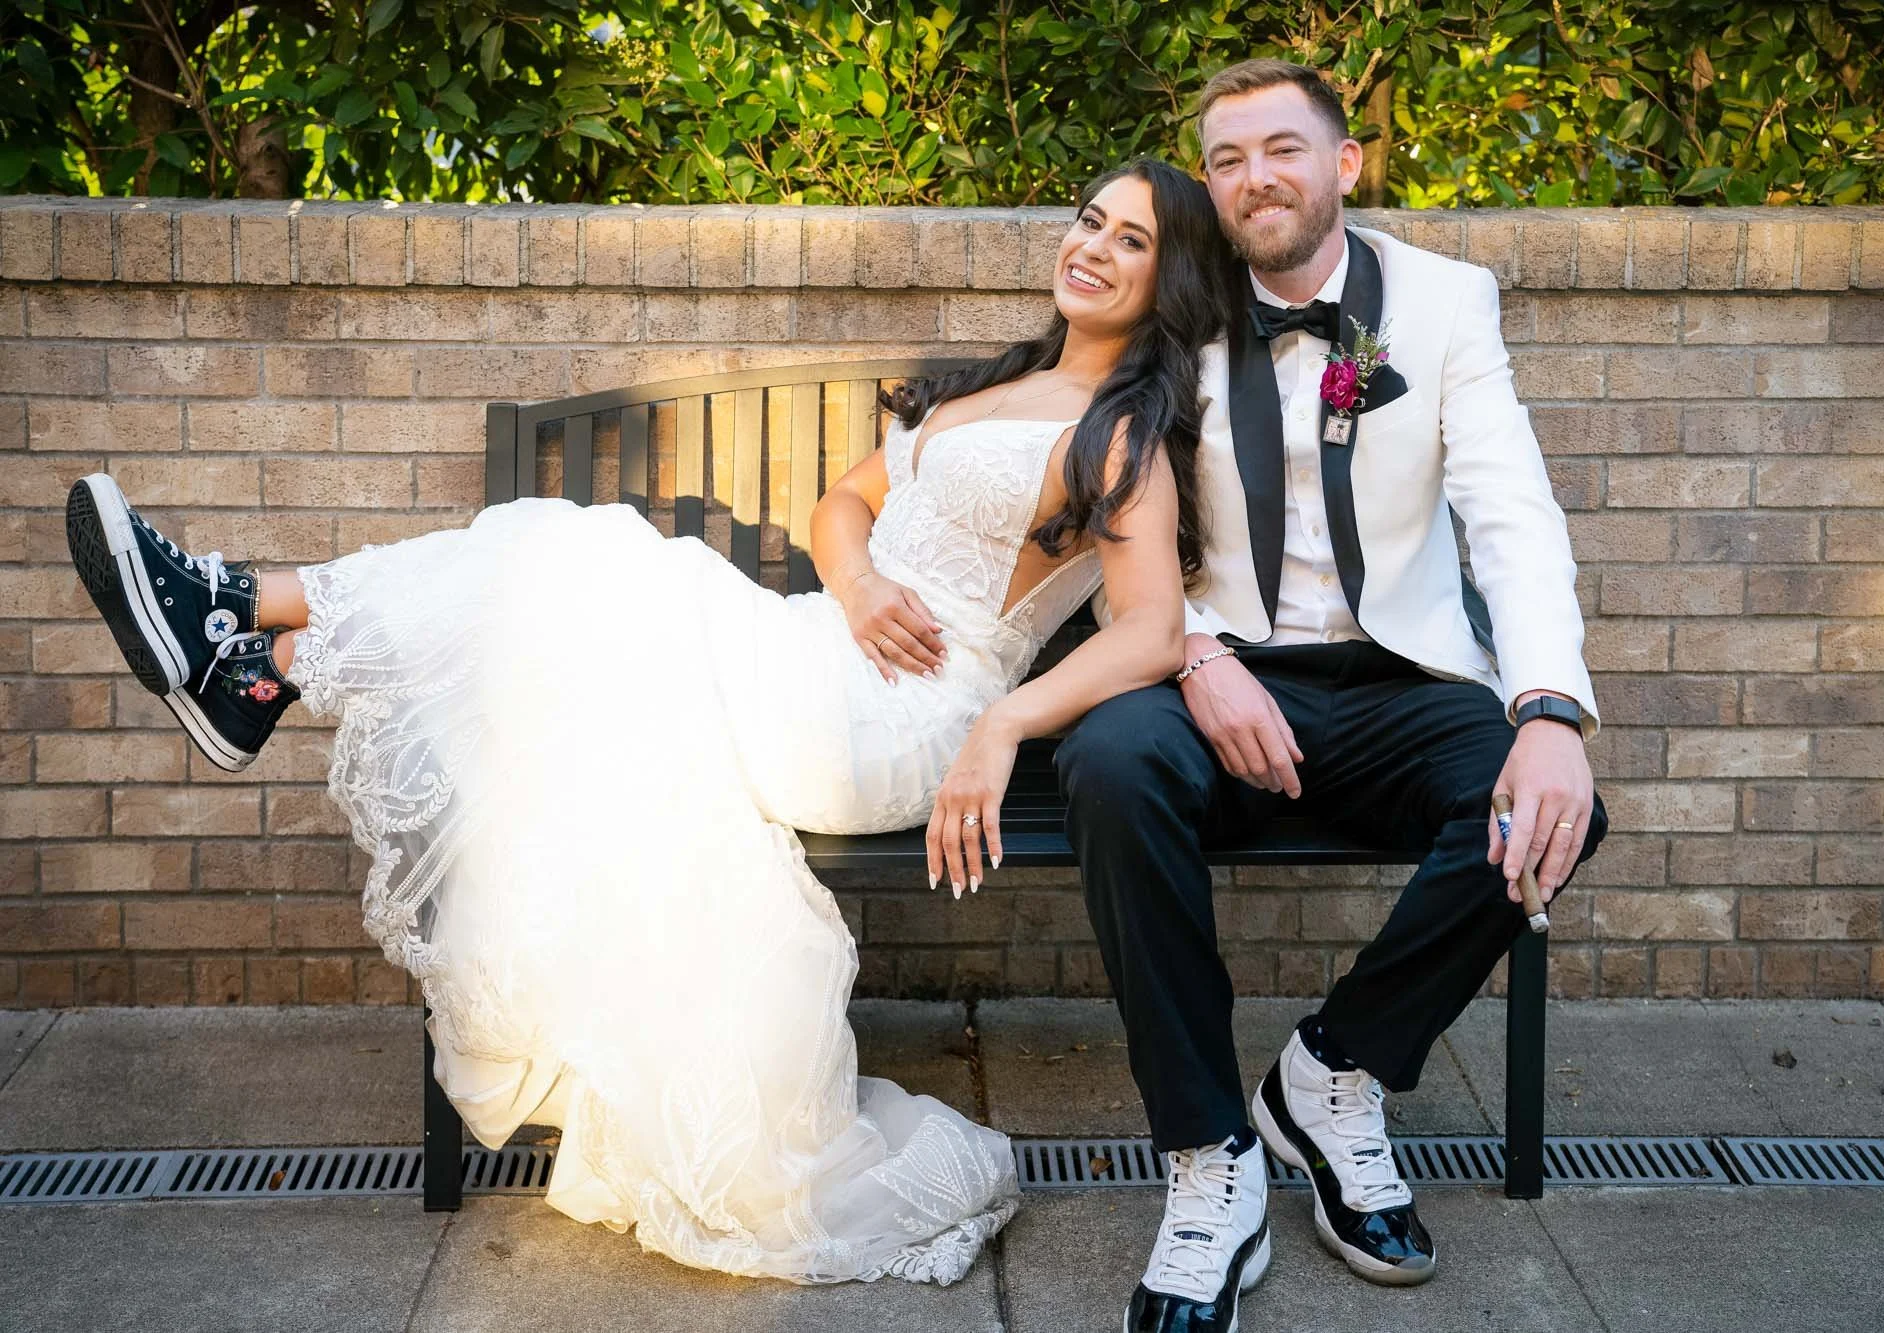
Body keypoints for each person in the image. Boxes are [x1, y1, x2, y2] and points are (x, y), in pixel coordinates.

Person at [63, 159, 1229, 1286]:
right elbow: (841, 506)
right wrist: (864, 583)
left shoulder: (1120, 434)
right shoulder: (999, 380)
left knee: (578, 556)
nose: (1094, 248)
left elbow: (1149, 632)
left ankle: (242, 634)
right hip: (823, 646)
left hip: (897, 715)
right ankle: (253, 661)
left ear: (1166, 281)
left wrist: (1003, 725)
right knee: (562, 578)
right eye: (1089, 220)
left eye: (1133, 240)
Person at [1057, 61, 1612, 1331]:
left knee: (1539, 804)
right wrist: (1195, 653)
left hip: (1395, 676)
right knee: (1109, 766)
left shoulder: (1442, 303)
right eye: (1228, 157)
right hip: (1205, 663)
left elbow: (1511, 518)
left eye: (1282, 150)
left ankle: (1332, 1071)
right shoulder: (1174, 302)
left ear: (1344, 163)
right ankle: (1208, 1157)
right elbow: (1112, 524)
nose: (1255, 178)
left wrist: (1546, 713)